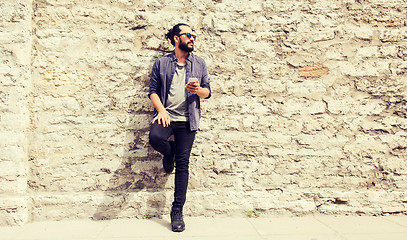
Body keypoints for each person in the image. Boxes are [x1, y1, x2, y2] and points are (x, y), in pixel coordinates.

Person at [148, 23, 211, 232]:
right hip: (167, 116)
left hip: (187, 120)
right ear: (176, 38)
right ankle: (169, 152)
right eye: (188, 35)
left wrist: (198, 90)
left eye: (193, 35)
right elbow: (153, 91)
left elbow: (208, 93)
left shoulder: (199, 63)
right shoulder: (162, 63)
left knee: (183, 165)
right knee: (156, 138)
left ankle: (177, 212)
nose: (192, 38)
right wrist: (162, 111)